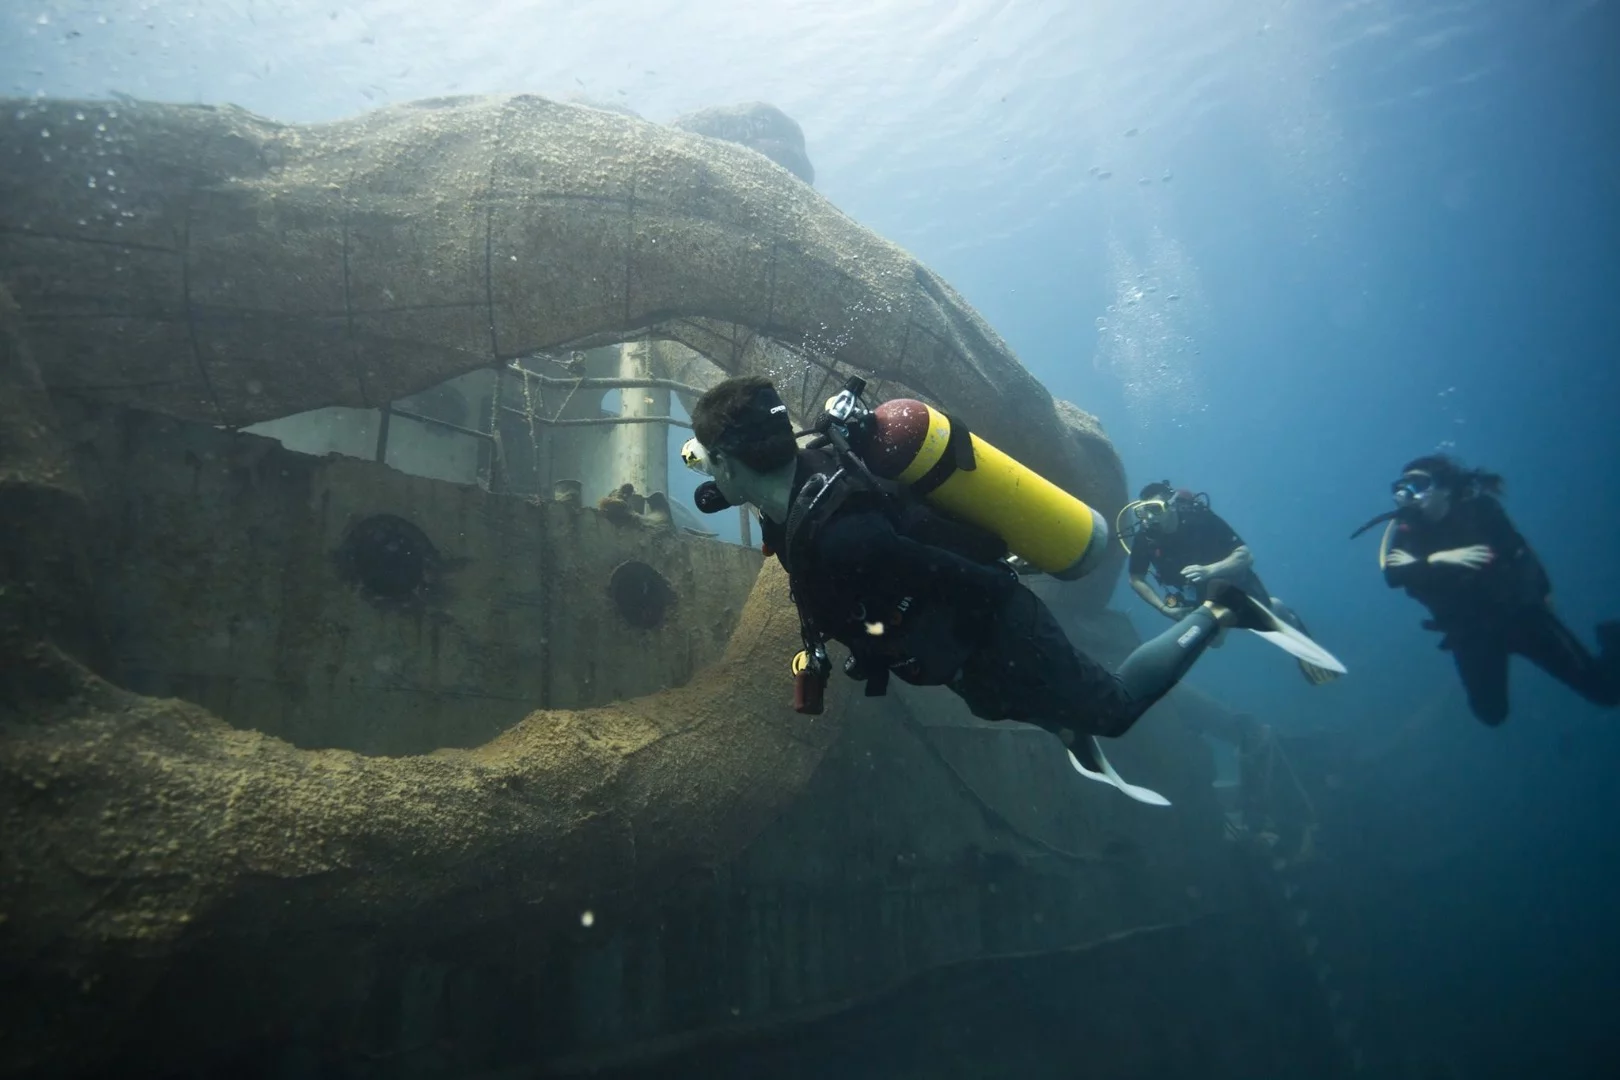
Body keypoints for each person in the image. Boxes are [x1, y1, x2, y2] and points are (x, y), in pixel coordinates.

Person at [684, 376, 1273, 803]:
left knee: (1114, 709)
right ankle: (1064, 722)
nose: (704, 470)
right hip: (952, 649)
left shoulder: (844, 536)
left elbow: (960, 576)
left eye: (711, 460)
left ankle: (1224, 607)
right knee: (993, 706)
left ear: (734, 464)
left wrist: (1003, 604)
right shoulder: (796, 478)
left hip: (996, 627)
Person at [1368, 454, 1620, 726]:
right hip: (1469, 632)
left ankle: (1613, 636)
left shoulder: (1480, 511)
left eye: (1418, 483)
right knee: (1491, 714)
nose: (1406, 493)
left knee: (1606, 692)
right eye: (1401, 486)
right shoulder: (1407, 529)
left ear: (1445, 487)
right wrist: (1440, 558)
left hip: (1521, 616)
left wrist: (1543, 592)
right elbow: (1393, 575)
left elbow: (1518, 551)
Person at [1124, 481, 1339, 684]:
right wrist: (1163, 608)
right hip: (1195, 592)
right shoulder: (1145, 538)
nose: (1148, 518)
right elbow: (1136, 578)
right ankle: (1230, 620)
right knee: (1215, 643)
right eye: (1143, 511)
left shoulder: (1200, 519)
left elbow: (1245, 555)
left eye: (1155, 509)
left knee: (1265, 613)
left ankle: (1280, 612)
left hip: (1232, 582)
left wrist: (1209, 570)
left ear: (1171, 505)